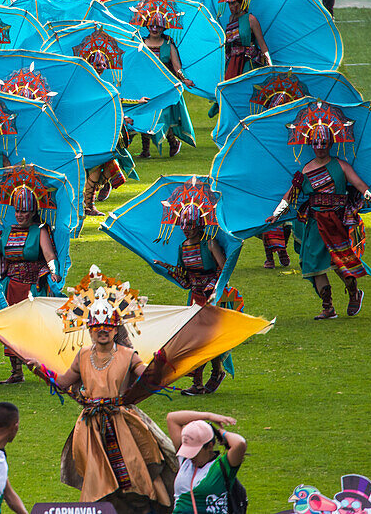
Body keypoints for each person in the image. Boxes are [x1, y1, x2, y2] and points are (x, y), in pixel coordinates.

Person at [32, 274, 176, 510]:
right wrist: (40, 370)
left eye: (107, 326)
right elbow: (63, 382)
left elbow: (145, 375)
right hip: (91, 428)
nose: (102, 331)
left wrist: (159, 366)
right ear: (90, 329)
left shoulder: (128, 355)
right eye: (97, 327)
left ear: (115, 328)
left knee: (137, 473)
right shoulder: (82, 356)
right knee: (98, 478)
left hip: (123, 422)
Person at [266, 109, 371, 319]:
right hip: (314, 224)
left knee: (341, 262)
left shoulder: (340, 165)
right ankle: (327, 307)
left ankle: (354, 293)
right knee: (313, 265)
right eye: (316, 144)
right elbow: (290, 194)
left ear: (331, 144)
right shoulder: (306, 169)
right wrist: (276, 214)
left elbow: (358, 184)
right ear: (310, 145)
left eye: (324, 144)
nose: (320, 148)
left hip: (336, 223)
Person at [0, 182, 59, 385]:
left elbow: (49, 255)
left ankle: (47, 369)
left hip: (32, 287)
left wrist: (54, 272)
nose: (20, 215)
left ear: (33, 212)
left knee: (35, 328)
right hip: (11, 287)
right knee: (11, 328)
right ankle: (16, 371)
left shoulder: (40, 231)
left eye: (24, 211)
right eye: (17, 210)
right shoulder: (7, 232)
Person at [153, 205, 228, 395]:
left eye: (191, 225)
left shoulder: (210, 244)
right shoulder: (183, 247)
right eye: (184, 225)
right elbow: (185, 279)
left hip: (212, 298)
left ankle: (213, 374)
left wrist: (212, 289)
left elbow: (224, 270)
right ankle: (202, 380)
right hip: (194, 298)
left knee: (208, 338)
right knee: (195, 340)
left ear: (199, 225)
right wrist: (164, 268)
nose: (187, 229)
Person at [166, 410, 246, 513]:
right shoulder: (185, 459)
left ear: (209, 446)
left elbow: (240, 443)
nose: (191, 456)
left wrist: (222, 433)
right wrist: (209, 416)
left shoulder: (221, 466)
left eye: (195, 452)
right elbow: (172, 418)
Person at [140, 7, 192, 158]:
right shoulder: (140, 43)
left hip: (164, 87)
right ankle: (146, 150)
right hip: (145, 85)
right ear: (146, 26)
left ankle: (173, 142)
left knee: (162, 116)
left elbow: (177, 67)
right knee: (145, 114)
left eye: (158, 26)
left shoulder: (168, 45)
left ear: (164, 27)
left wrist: (184, 79)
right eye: (151, 25)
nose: (154, 28)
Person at [219, 0, 271, 81]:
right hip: (233, 62)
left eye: (234, 3)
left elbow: (262, 44)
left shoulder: (251, 20)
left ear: (241, 2)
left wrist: (270, 66)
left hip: (248, 61)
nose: (231, 7)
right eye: (229, 4)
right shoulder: (230, 19)